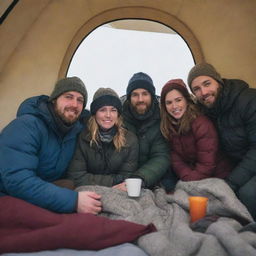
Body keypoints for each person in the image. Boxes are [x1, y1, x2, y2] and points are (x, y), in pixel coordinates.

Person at [0, 77, 102, 215]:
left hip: (42, 193)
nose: (74, 104)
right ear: (54, 99)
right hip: (8, 195)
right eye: (68, 97)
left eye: (80, 100)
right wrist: (74, 201)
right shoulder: (26, 126)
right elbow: (18, 181)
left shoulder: (75, 131)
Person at [187, 62, 256, 219]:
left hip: (250, 162)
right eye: (196, 89)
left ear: (218, 81)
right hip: (242, 165)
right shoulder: (208, 111)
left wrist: (231, 183)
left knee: (248, 193)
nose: (203, 92)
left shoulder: (249, 100)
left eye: (207, 83)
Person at [160, 78, 232, 181]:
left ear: (186, 100)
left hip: (219, 177)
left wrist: (191, 180)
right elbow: (176, 160)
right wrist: (187, 176)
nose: (174, 106)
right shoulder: (169, 127)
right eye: (169, 102)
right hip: (193, 177)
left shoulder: (201, 123)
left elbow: (207, 163)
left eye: (178, 100)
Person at [66, 88, 138, 190]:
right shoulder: (83, 137)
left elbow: (127, 177)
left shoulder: (130, 140)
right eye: (102, 110)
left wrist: (93, 179)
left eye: (113, 110)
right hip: (88, 190)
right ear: (95, 114)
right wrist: (113, 181)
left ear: (118, 114)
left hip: (119, 191)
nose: (108, 115)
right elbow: (76, 176)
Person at [121, 72, 172, 190]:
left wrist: (138, 180)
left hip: (154, 179)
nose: (140, 99)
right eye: (135, 95)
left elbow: (161, 156)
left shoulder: (162, 119)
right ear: (129, 98)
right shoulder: (119, 119)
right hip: (122, 179)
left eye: (145, 94)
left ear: (152, 96)